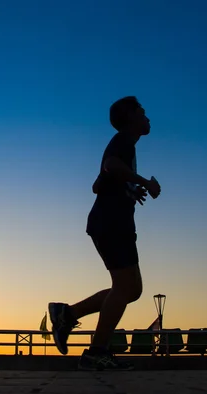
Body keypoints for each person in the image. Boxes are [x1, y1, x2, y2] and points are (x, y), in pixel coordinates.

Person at [48, 96, 161, 371]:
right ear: (131, 118)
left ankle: (68, 313)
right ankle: (95, 353)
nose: (148, 118)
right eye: (143, 113)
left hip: (113, 222)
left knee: (131, 289)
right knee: (125, 288)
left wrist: (129, 189)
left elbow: (98, 184)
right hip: (111, 223)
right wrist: (142, 181)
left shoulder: (126, 146)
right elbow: (110, 167)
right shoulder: (122, 140)